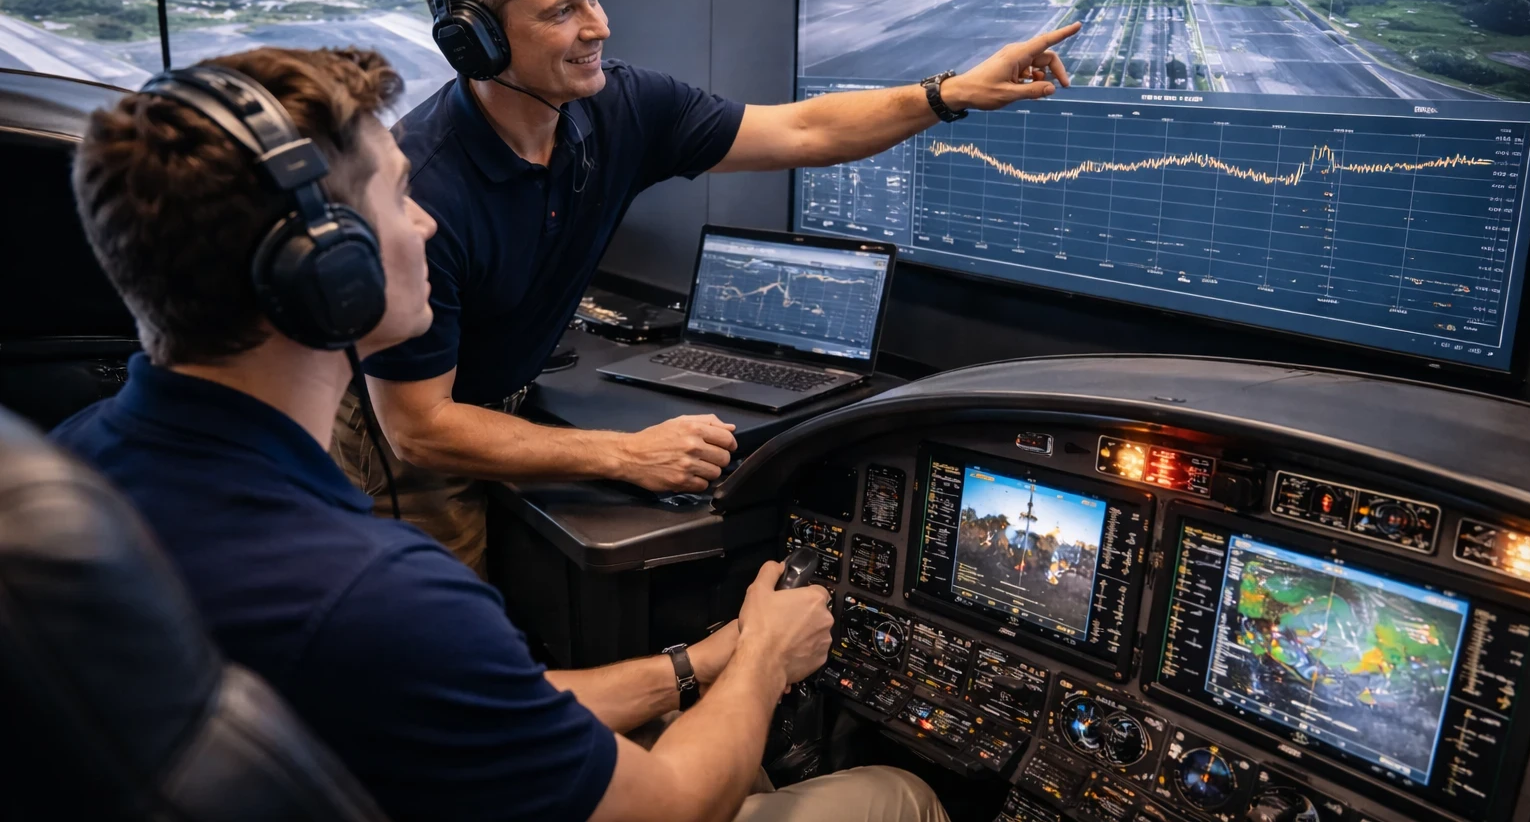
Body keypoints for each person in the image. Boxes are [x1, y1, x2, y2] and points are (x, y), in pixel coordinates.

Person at [50, 46, 947, 822]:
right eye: (399, 196)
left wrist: (693, 665)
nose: (426, 221)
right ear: (330, 272)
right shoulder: (378, 593)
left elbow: (468, 698)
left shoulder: (77, 463)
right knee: (892, 793)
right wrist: (763, 661)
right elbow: (673, 804)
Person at [339, 0, 1081, 574]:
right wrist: (627, 454)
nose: (599, 26)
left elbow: (803, 130)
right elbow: (420, 430)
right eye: (562, 11)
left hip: (500, 399)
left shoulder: (622, 106)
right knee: (452, 641)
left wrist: (950, 94)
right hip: (412, 449)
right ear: (476, 41)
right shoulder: (423, 193)